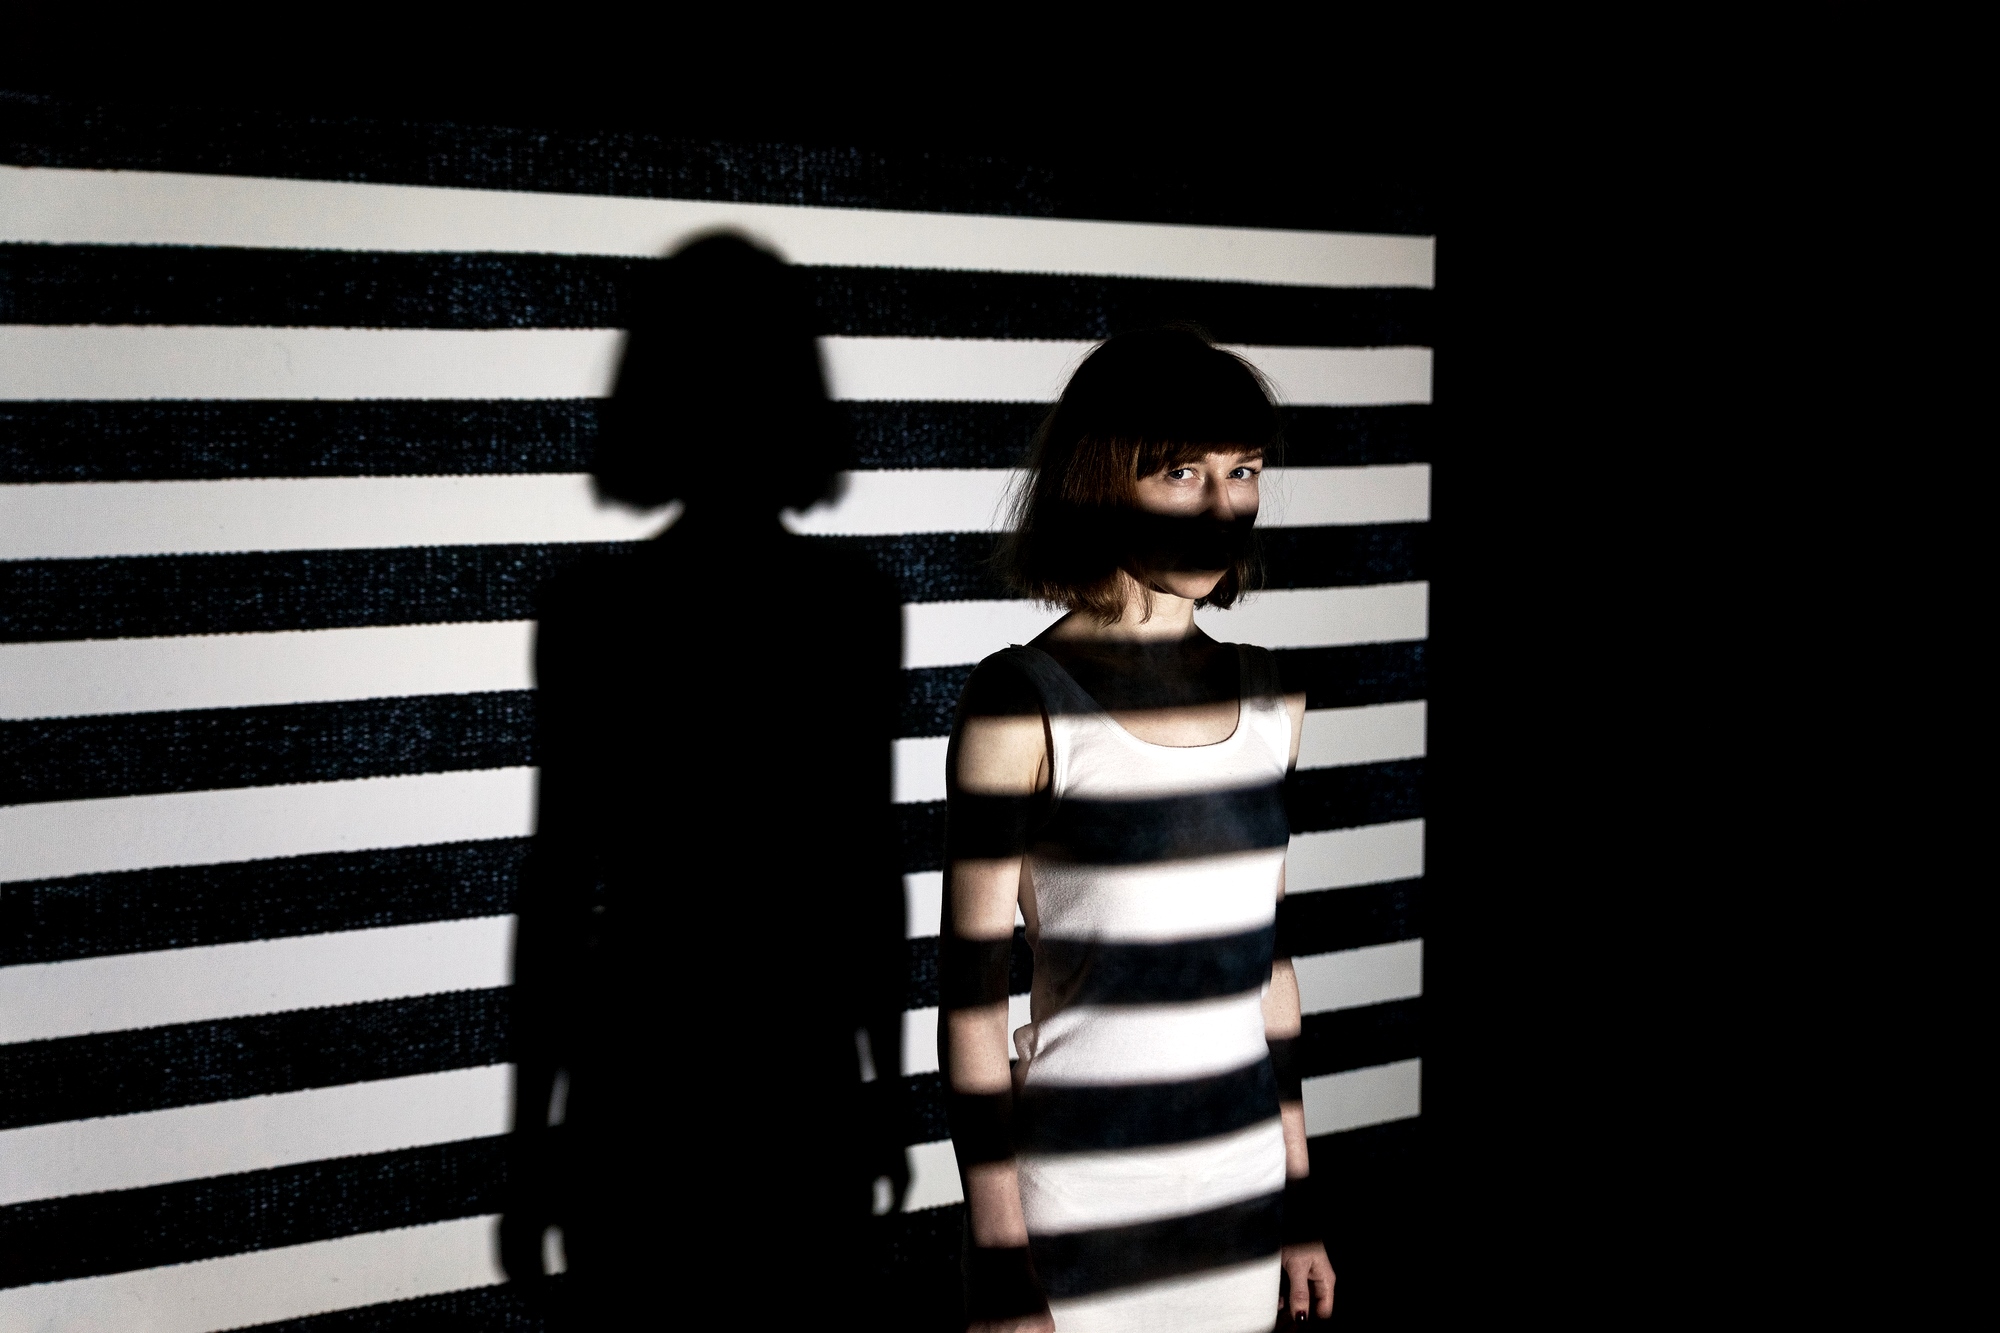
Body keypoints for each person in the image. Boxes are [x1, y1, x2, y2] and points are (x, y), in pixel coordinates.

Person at [498, 234, 909, 1323]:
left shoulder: (591, 610)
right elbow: (865, 868)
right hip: (795, 1075)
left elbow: (557, 885)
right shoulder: (852, 606)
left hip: (639, 1078)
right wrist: (882, 1083)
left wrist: (531, 1131)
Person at [942, 328, 1338, 1331]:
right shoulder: (1019, 699)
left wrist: (1298, 1201)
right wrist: (996, 1255)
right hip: (1080, 1199)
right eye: (1180, 472)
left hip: (1237, 1191)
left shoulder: (1272, 696)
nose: (1222, 507)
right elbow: (971, 1008)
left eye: (1241, 471)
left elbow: (1266, 968)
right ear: (1100, 480)